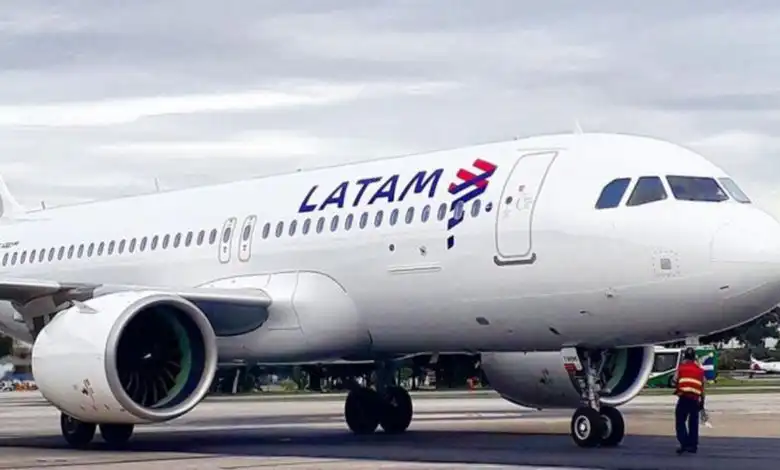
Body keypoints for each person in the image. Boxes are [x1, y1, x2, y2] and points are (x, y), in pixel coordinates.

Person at [672, 347, 705, 454]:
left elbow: (674, 381)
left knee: (680, 421)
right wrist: (702, 402)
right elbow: (702, 387)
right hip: (695, 399)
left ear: (685, 357)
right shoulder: (700, 370)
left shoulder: (681, 368)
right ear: (694, 357)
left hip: (684, 398)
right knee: (693, 423)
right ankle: (693, 446)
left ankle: (684, 443)